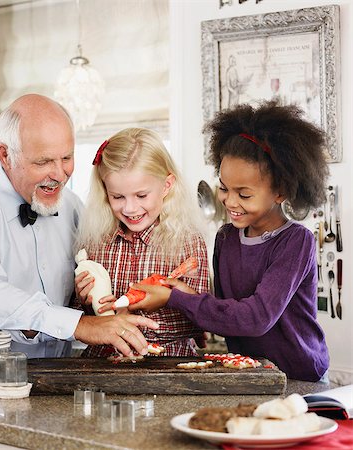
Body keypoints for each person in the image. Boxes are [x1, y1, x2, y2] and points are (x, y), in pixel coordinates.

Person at [0, 94, 158, 359]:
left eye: (66, 157)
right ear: (5, 155)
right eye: (43, 162)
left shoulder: (72, 208)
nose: (59, 174)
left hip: (53, 381)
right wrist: (78, 324)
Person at [122, 101, 330, 382]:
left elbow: (255, 318)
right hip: (247, 372)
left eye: (244, 195)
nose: (230, 202)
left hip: (297, 375)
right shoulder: (226, 237)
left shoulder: (296, 242)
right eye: (223, 188)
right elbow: (226, 310)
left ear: (280, 192)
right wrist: (186, 294)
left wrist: (175, 298)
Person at [74, 127, 210, 357]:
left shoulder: (188, 242)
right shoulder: (95, 240)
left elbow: (200, 321)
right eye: (117, 197)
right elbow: (79, 321)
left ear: (167, 186)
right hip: (104, 364)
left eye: (141, 195)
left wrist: (129, 321)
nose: (130, 208)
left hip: (169, 365)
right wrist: (85, 300)